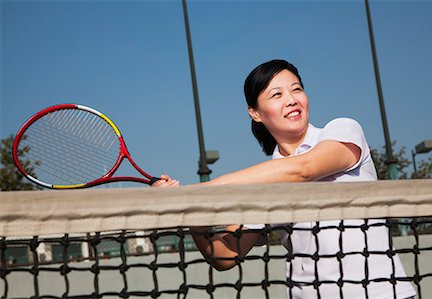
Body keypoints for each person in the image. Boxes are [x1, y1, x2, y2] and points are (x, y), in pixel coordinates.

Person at [154, 59, 416, 299]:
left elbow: (303, 169)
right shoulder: (262, 182)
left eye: (296, 89)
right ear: (255, 113)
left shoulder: (344, 130)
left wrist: (197, 191)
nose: (291, 100)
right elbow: (224, 256)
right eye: (277, 95)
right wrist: (188, 213)